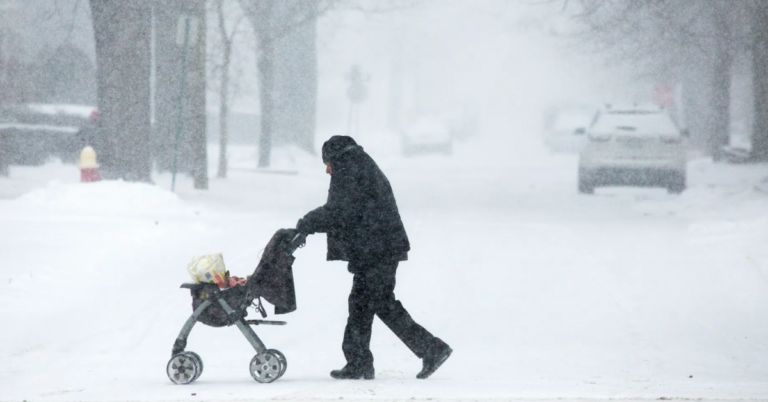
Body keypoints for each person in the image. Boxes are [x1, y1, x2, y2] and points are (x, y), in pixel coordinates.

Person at [296, 135, 452, 380]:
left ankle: (431, 349)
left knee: (378, 303)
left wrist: (307, 223)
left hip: (377, 248)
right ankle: (359, 362)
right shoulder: (358, 163)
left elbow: (340, 211)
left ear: (334, 157)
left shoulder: (349, 168)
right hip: (378, 246)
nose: (327, 170)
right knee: (364, 303)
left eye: (327, 163)